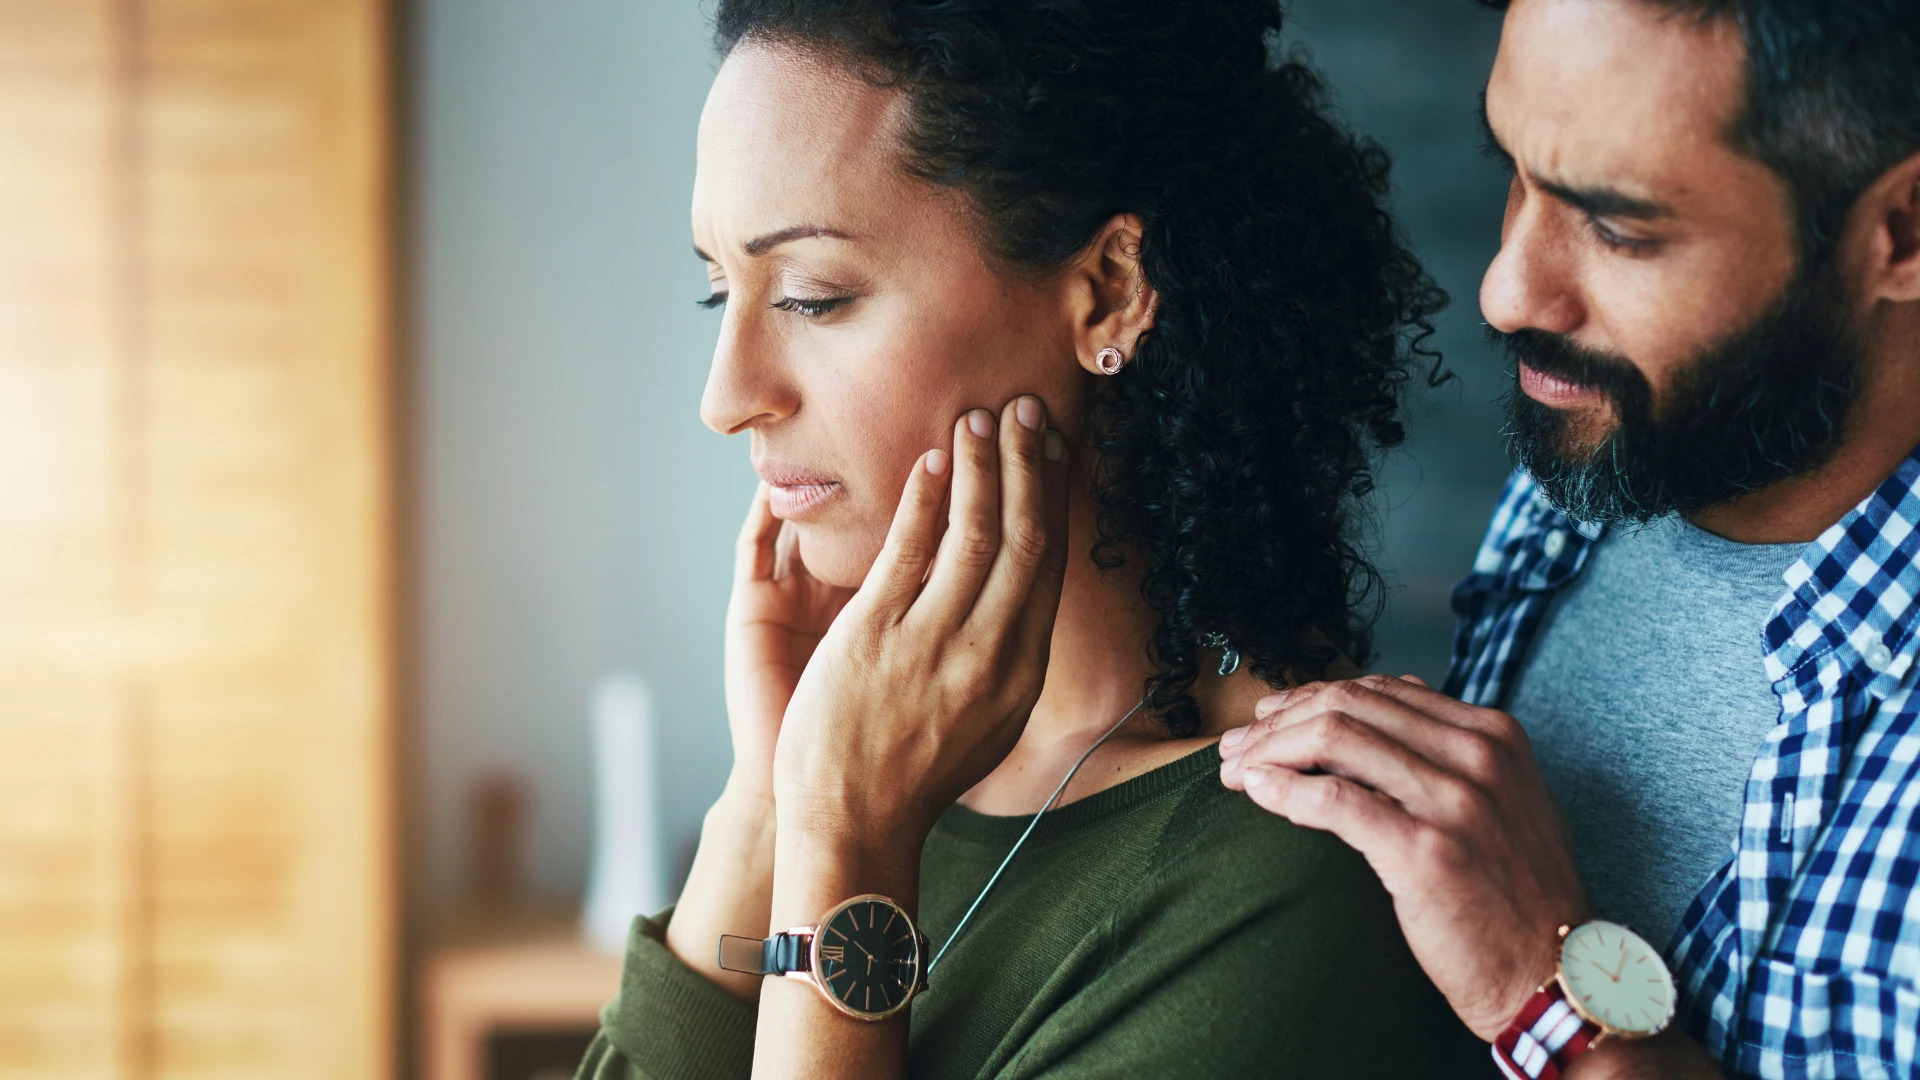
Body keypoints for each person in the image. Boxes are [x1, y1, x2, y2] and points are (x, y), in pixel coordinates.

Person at [575, 1, 1490, 1077]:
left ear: (1108, 295)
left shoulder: (1283, 880)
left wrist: (846, 843)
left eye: (813, 299)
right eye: (718, 290)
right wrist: (769, 801)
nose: (726, 398)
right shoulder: (873, 776)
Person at [1220, 0, 1920, 1077]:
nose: (1507, 291)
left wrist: (1542, 1001)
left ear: (1904, 232)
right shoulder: (1628, 429)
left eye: (1620, 227)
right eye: (1518, 171)